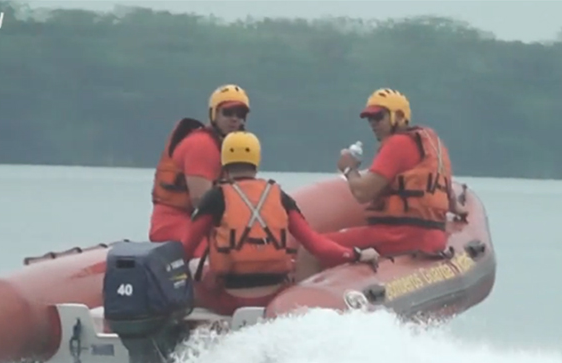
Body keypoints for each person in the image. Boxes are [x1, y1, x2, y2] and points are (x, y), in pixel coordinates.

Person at [180, 130, 378, 315]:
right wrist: (356, 254)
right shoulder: (279, 196)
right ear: (256, 162)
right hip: (274, 296)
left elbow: (185, 250)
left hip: (230, 299)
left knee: (194, 267)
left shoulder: (214, 198)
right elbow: (317, 245)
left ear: (224, 162)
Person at [294, 88, 468, 281]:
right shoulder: (432, 144)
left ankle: (299, 309)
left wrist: (348, 169)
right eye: (369, 119)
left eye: (379, 117)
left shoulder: (397, 145)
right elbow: (447, 195)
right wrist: (459, 209)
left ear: (399, 116)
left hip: (398, 236)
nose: (373, 124)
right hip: (431, 237)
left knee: (310, 250)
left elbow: (362, 193)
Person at [149, 84, 251, 257]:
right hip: (174, 222)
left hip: (196, 221)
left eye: (240, 115)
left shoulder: (228, 148)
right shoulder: (202, 145)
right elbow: (202, 203)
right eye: (227, 113)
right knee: (218, 255)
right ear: (214, 114)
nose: (235, 119)